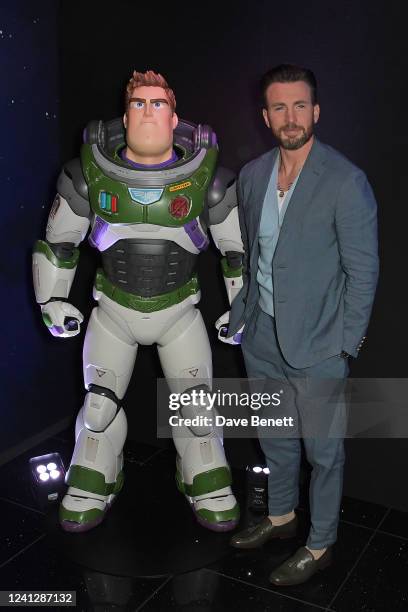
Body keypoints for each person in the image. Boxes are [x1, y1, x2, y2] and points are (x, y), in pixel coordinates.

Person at [32, 69, 244, 533]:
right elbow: (58, 245)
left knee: (198, 407)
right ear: (123, 118)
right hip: (113, 312)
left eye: (158, 104)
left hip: (179, 313)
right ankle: (93, 475)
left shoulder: (211, 181)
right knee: (99, 404)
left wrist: (239, 306)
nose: (148, 112)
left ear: (175, 119)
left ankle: (204, 474)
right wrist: (51, 299)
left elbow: (236, 253)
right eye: (139, 104)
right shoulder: (85, 175)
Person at [216, 64, 379, 585]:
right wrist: (243, 313)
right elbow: (249, 250)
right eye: (280, 107)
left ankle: (321, 543)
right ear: (266, 116)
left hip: (320, 345)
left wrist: (345, 344)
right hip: (260, 331)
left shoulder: (346, 181)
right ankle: (281, 517)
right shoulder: (253, 175)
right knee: (275, 438)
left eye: (300, 105)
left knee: (324, 453)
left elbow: (363, 271)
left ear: (317, 111)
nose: (292, 117)